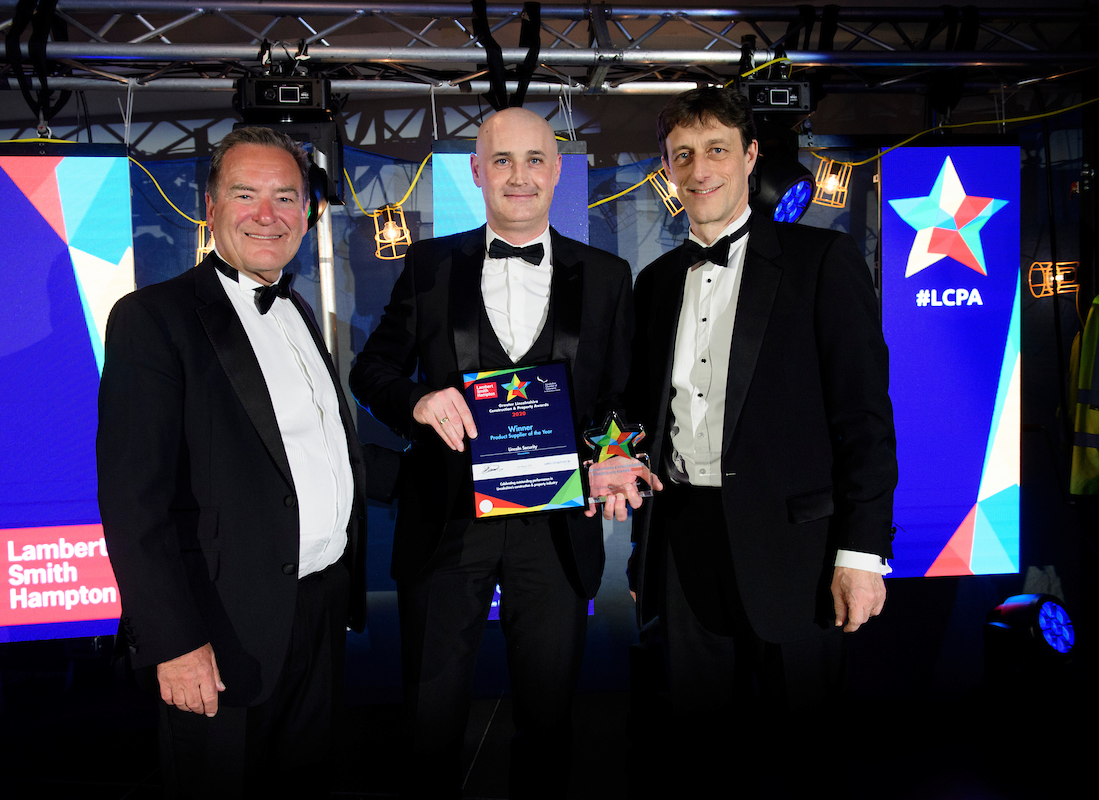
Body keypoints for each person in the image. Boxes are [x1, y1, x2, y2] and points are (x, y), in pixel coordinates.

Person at [96, 127, 397, 798]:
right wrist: (173, 642)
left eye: (285, 197)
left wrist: (470, 468)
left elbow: (318, 454)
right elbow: (132, 500)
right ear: (210, 207)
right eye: (245, 194)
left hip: (319, 611)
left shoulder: (298, 309)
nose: (268, 215)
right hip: (219, 628)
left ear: (307, 213)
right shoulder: (153, 318)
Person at [349, 106, 637, 798]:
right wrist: (418, 400)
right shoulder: (428, 264)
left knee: (549, 719)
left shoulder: (607, 274)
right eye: (502, 160)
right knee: (430, 720)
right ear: (477, 172)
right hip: (446, 522)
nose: (519, 176)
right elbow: (371, 371)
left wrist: (611, 453)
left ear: (557, 171)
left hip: (556, 524)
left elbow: (620, 397)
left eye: (534, 159)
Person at [625, 86, 897, 752]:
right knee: (696, 750)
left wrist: (861, 553)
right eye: (683, 155)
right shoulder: (654, 283)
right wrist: (640, 546)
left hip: (796, 557)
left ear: (750, 156)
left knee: (806, 753)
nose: (700, 170)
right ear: (666, 168)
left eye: (716, 150)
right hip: (683, 548)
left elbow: (865, 419)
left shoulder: (822, 262)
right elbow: (642, 420)